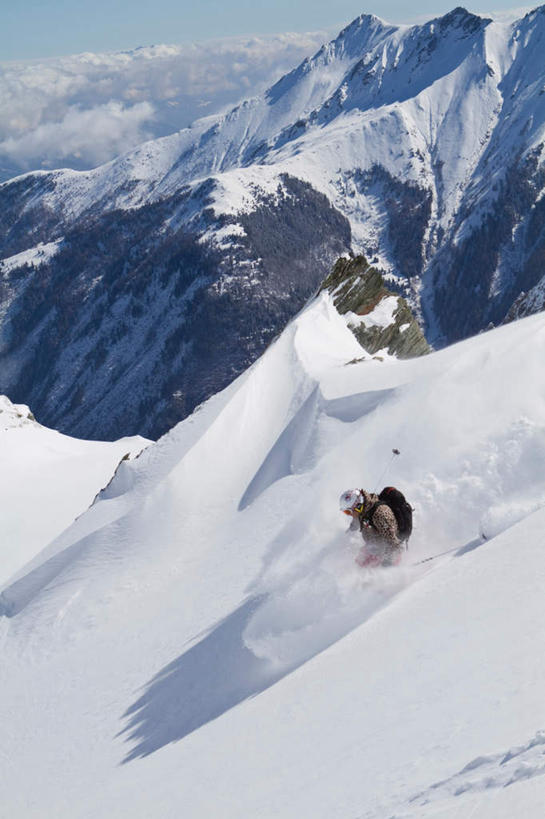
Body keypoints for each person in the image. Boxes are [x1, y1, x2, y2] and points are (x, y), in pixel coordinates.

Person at [339, 488, 402, 568]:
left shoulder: (380, 514)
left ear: (357, 506)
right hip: (374, 547)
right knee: (357, 564)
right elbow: (355, 523)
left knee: (365, 568)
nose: (348, 515)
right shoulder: (361, 510)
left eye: (347, 512)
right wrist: (344, 537)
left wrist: (387, 564)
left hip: (389, 552)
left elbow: (393, 543)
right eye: (345, 512)